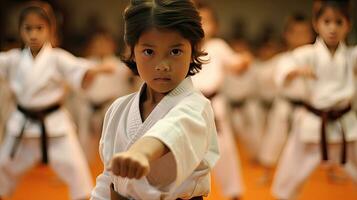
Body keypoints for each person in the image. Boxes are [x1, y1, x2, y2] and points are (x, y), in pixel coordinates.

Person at [90, 0, 219, 200]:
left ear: (193, 50)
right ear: (132, 51)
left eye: (175, 51)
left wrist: (142, 152)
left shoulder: (196, 107)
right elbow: (108, 178)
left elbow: (175, 129)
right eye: (149, 51)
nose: (162, 65)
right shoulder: (118, 108)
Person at [0, 1, 114, 200]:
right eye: (28, 29)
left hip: (55, 127)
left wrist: (96, 69)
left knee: (77, 172)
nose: (33, 34)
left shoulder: (57, 58)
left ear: (49, 30)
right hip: (22, 127)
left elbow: (79, 68)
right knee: (2, 170)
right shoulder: (14, 59)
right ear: (20, 31)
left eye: (39, 28)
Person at [272, 0, 357, 199]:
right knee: (289, 177)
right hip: (313, 123)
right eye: (327, 22)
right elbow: (285, 65)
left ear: (348, 25)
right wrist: (294, 71)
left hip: (346, 125)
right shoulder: (307, 54)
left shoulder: (351, 56)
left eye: (339, 22)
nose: (332, 28)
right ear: (316, 24)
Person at [192, 2, 252, 200]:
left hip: (214, 106)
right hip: (187, 107)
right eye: (196, 21)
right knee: (186, 154)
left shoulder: (218, 47)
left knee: (224, 151)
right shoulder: (181, 47)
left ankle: (233, 192)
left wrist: (243, 61)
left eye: (206, 21)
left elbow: (236, 65)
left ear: (215, 26)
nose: (201, 26)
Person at [257, 13, 315, 183]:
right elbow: (272, 74)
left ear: (311, 36)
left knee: (313, 141)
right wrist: (294, 71)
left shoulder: (315, 57)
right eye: (295, 33)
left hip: (307, 107)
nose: (299, 37)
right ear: (287, 35)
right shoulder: (283, 59)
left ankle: (330, 169)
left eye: (304, 33)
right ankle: (267, 172)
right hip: (284, 105)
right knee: (274, 139)